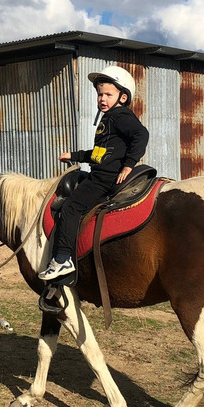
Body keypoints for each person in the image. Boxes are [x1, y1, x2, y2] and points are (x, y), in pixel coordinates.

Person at [38, 66, 149, 281]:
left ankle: (62, 259)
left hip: (104, 178)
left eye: (108, 94)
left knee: (71, 207)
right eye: (100, 94)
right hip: (101, 172)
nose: (102, 99)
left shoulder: (119, 116)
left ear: (123, 97)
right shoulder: (109, 119)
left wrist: (128, 165)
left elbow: (141, 134)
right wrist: (74, 156)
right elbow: (99, 154)